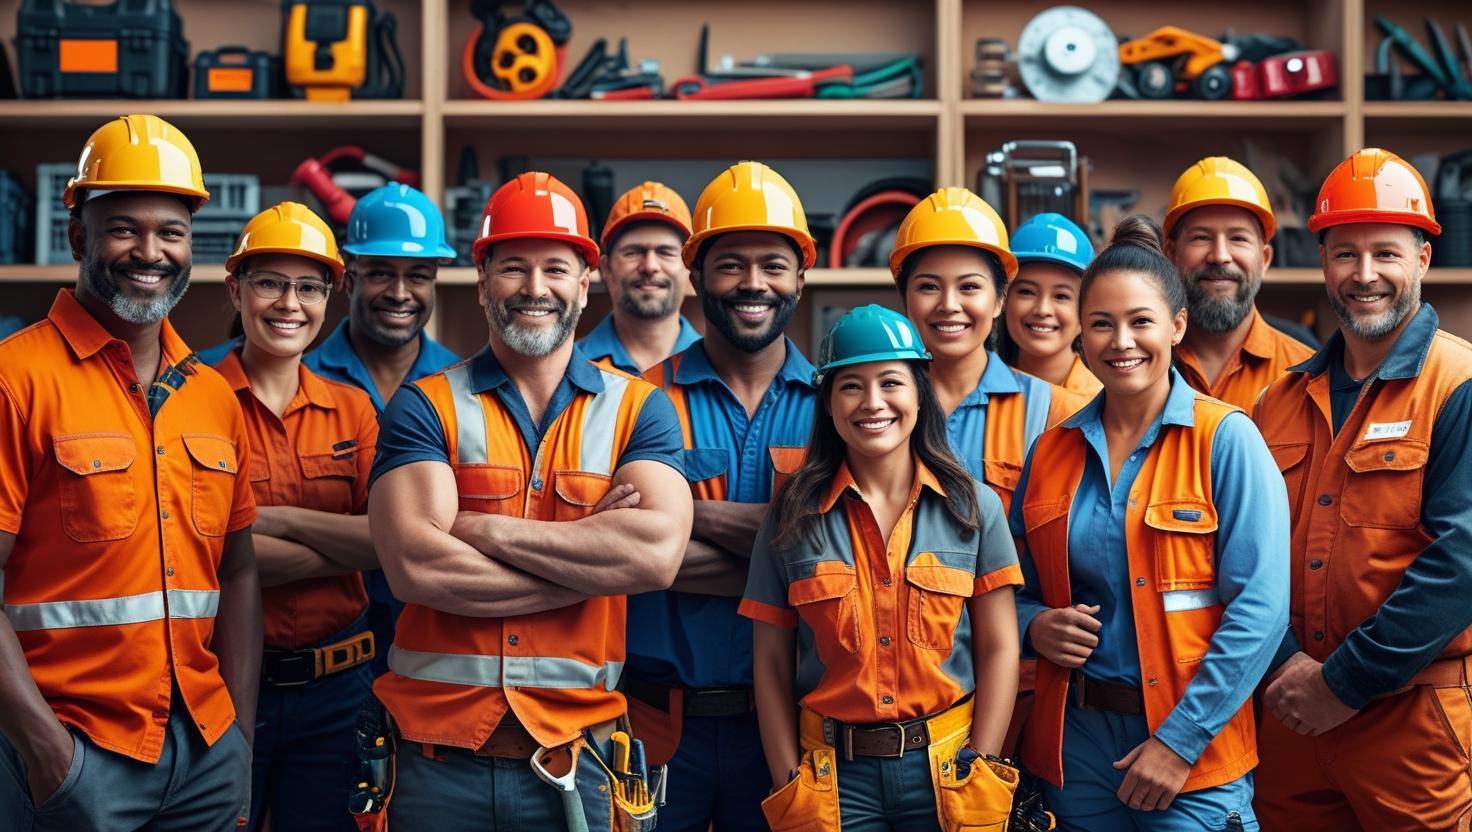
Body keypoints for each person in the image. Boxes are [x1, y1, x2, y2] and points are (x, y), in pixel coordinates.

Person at [367, 171, 693, 830]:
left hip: (584, 757)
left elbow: (655, 556)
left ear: (585, 281)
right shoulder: (424, 406)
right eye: (513, 267)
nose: (535, 289)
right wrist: (590, 565)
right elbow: (419, 570)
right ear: (482, 281)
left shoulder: (640, 409)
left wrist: (478, 529)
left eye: (555, 268)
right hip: (437, 762)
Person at [0, 114, 259, 829]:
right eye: (124, 229)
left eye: (171, 232)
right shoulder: (15, 379)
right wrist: (47, 752)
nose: (150, 252)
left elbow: (238, 572)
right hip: (71, 755)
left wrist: (238, 736)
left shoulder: (212, 394)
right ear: (79, 236)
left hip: (207, 756)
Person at [1013, 215, 1288, 831]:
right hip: (1075, 749)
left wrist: (1180, 742)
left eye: (1141, 322)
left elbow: (1261, 610)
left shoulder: (1226, 440)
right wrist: (1034, 625)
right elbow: (1008, 588)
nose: (1122, 342)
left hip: (1192, 750)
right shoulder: (1051, 450)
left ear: (1177, 326)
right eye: (1102, 324)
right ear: (1080, 335)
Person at [1252, 149, 1472, 831]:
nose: (1365, 274)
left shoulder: (1457, 384)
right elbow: (1244, 554)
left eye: (1386, 253)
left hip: (1411, 720)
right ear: (1323, 263)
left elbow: (1461, 562)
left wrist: (1344, 684)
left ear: (1424, 259)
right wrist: (1293, 674)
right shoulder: (1278, 402)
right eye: (1345, 253)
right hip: (1291, 714)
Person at [741, 304, 1023, 831]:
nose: (872, 403)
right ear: (827, 403)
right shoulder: (792, 515)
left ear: (920, 392)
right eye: (850, 386)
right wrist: (786, 780)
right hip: (832, 778)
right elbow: (771, 665)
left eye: (891, 382)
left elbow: (1001, 646)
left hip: (950, 768)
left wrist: (984, 761)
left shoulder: (973, 507)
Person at [630, 161, 818, 831]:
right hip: (651, 723)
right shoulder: (635, 400)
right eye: (730, 264)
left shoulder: (842, 410)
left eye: (773, 263)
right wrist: (784, 544)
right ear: (698, 276)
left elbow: (839, 563)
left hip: (787, 730)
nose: (752, 283)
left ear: (801, 275)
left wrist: (681, 517)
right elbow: (623, 555)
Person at [890, 187, 1085, 755]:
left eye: (970, 287)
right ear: (905, 299)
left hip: (1028, 697)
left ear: (1000, 300)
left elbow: (1086, 560)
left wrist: (1030, 624)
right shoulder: (870, 410)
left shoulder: (1059, 415)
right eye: (929, 286)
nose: (950, 305)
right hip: (898, 701)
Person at [208, 202, 380, 831]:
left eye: (309, 287)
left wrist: (267, 520)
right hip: (222, 684)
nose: (290, 303)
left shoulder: (354, 409)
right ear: (236, 288)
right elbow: (200, 555)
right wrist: (346, 544)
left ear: (330, 297)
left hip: (340, 690)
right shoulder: (193, 399)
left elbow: (389, 543)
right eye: (271, 283)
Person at [1161, 157, 1314, 410]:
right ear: (1171, 255)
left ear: (1264, 260)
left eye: (1238, 238)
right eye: (1201, 237)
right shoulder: (1136, 363)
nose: (1220, 255)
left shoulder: (1307, 375)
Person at [579, 181, 701, 374]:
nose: (650, 266)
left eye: (666, 252)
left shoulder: (722, 369)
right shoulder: (568, 369)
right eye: (633, 252)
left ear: (690, 269)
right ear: (606, 269)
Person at [1000, 212, 1100, 397]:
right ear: (1003, 300)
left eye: (1061, 296)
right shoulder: (975, 394)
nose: (1043, 310)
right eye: (1026, 292)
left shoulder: (1104, 406)